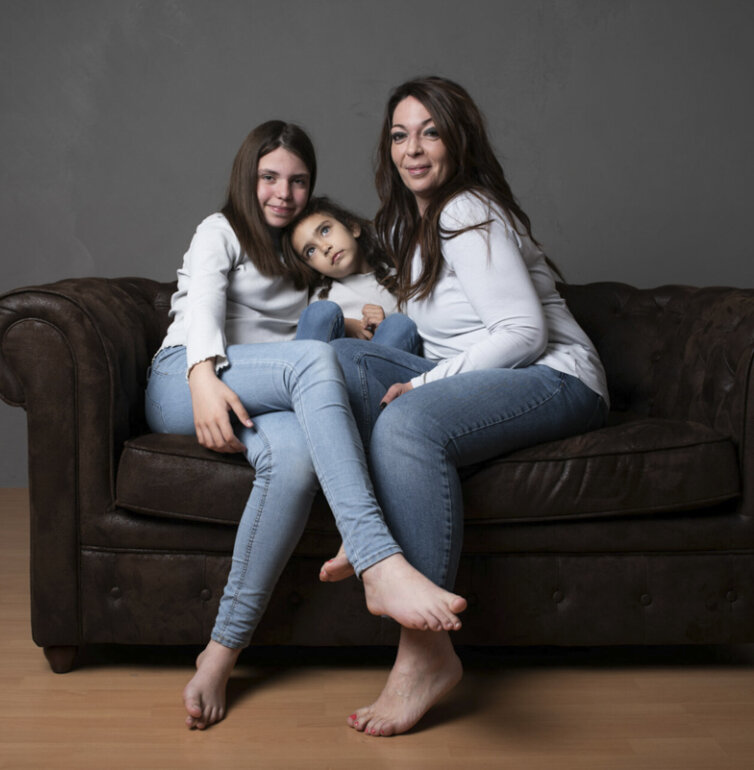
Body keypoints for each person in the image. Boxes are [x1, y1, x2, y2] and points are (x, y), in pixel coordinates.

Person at [144, 119, 466, 731]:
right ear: (248, 177)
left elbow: (319, 326)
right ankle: (377, 558)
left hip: (264, 393)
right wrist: (202, 375)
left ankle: (220, 652)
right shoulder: (221, 232)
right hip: (186, 379)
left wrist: (359, 323)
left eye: (297, 181)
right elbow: (205, 306)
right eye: (269, 178)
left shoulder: (301, 256)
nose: (282, 194)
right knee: (316, 361)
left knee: (293, 462)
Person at [326, 76, 610, 737]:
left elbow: (522, 334)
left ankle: (425, 655)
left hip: (557, 377)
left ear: (458, 140)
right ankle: (367, 529)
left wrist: (423, 388)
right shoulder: (409, 221)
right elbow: (438, 333)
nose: (413, 149)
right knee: (333, 365)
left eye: (430, 132)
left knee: (406, 425)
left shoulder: (466, 210)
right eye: (400, 134)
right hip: (494, 375)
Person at [285, 195, 420, 353]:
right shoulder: (320, 297)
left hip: (383, 367)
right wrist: (346, 325)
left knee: (399, 325)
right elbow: (315, 331)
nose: (324, 247)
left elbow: (412, 336)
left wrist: (383, 324)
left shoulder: (399, 280)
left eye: (325, 230)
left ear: (352, 227)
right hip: (336, 371)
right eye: (311, 251)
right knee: (321, 312)